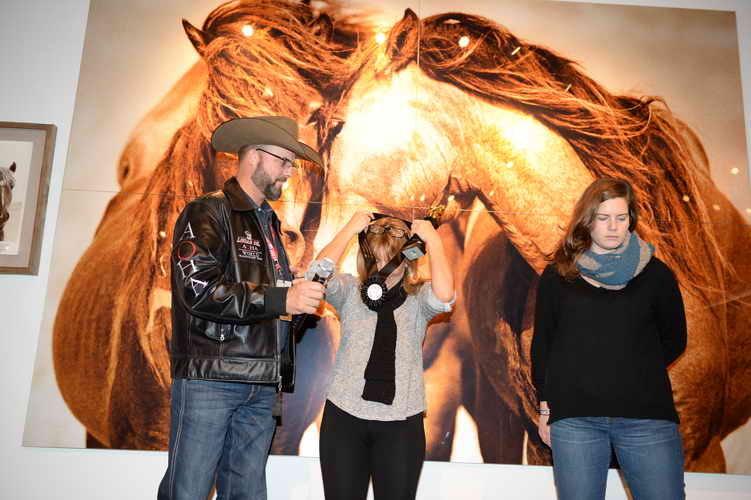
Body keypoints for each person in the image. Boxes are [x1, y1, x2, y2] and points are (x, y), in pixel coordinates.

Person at [157, 116, 326, 500]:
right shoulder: (207, 211)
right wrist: (283, 298)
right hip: (210, 378)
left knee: (246, 493)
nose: (289, 172)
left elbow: (269, 304)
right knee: (188, 490)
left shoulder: (270, 224)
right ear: (253, 156)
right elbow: (199, 289)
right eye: (284, 161)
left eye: (291, 164)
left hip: (262, 384)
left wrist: (297, 303)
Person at [531, 177, 687, 499]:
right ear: (587, 220)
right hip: (576, 419)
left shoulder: (657, 275)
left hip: (646, 417)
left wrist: (634, 369)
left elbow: (675, 339)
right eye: (603, 217)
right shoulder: (558, 276)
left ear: (631, 220)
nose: (613, 226)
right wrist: (546, 409)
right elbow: (543, 346)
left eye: (621, 217)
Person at [314, 211, 454, 500]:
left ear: (408, 260)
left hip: (401, 423)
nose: (383, 269)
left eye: (390, 261)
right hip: (344, 418)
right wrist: (350, 228)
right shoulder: (349, 290)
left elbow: (445, 295)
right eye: (376, 260)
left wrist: (433, 240)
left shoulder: (419, 299)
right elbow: (317, 274)